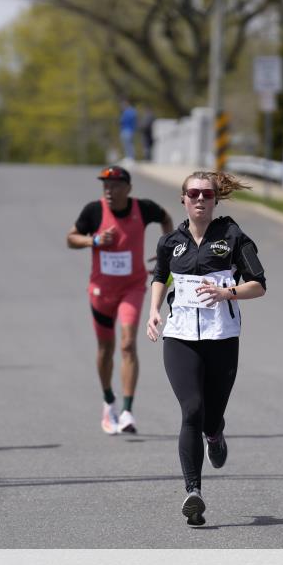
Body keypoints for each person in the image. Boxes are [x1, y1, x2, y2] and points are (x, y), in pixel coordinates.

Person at [146, 171, 267, 526]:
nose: (200, 199)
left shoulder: (233, 237)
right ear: (183, 198)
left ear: (215, 200)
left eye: (207, 194)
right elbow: (160, 276)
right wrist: (153, 311)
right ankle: (193, 493)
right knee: (192, 410)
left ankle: (215, 435)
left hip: (222, 337)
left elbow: (259, 284)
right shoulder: (170, 242)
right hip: (180, 336)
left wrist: (226, 292)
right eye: (194, 193)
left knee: (210, 418)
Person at [67, 165, 173, 435]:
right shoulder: (94, 211)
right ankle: (108, 401)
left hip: (132, 288)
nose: (109, 190)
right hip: (101, 292)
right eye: (105, 186)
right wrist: (94, 240)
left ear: (128, 188)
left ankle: (127, 411)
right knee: (105, 348)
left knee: (127, 344)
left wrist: (166, 250)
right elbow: (71, 238)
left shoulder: (143, 208)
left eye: (114, 186)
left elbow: (166, 218)